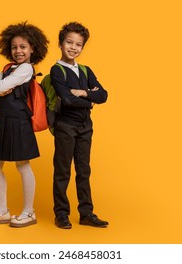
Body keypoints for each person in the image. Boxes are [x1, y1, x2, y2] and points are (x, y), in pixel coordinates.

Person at [0, 22, 48, 228]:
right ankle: (2, 211)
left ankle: (29, 212)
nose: (18, 51)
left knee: (23, 164)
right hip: (2, 119)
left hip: (19, 120)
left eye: (23, 47)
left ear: (32, 48)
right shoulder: (8, 68)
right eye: (14, 47)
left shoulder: (26, 68)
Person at [50, 22, 109, 229]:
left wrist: (83, 93)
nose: (73, 47)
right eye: (69, 42)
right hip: (65, 126)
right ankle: (61, 214)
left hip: (85, 127)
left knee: (84, 170)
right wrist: (90, 101)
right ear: (60, 43)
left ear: (82, 47)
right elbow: (66, 99)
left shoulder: (85, 70)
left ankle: (86, 213)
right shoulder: (57, 71)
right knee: (63, 171)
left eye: (78, 44)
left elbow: (104, 95)